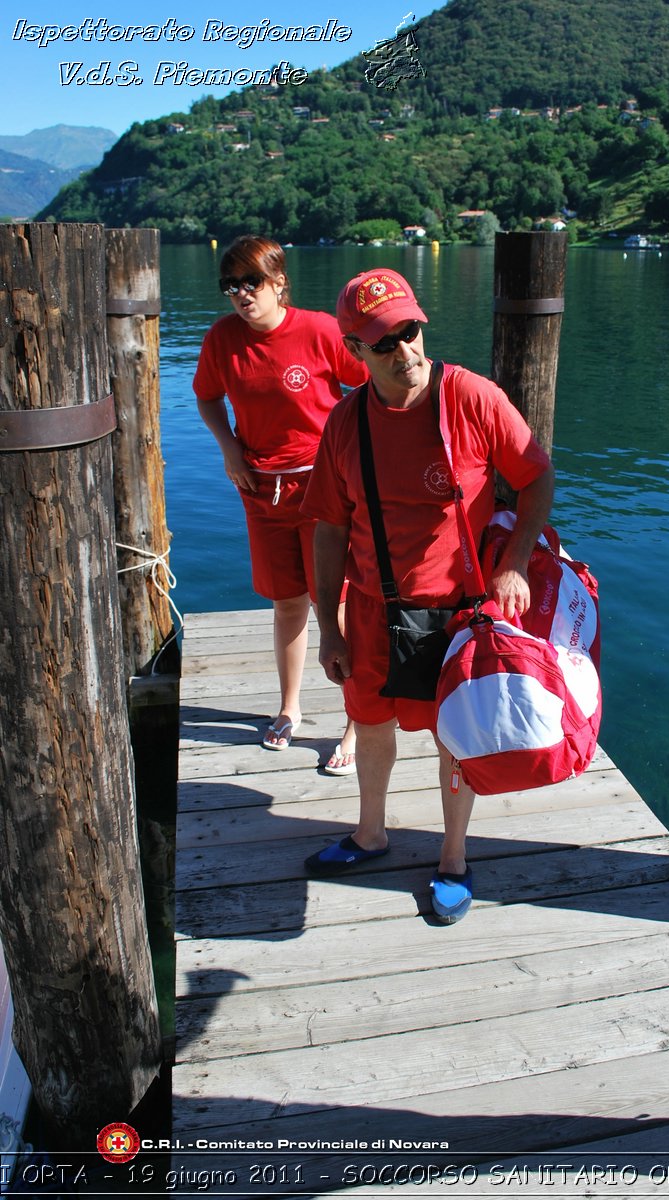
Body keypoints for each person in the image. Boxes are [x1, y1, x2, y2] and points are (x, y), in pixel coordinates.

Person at [300, 268, 555, 922]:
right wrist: (326, 627)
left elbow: (535, 476)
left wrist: (518, 562)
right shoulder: (346, 423)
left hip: (460, 614)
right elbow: (328, 529)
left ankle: (452, 857)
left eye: (410, 332)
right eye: (383, 343)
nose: (404, 352)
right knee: (373, 726)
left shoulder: (470, 397)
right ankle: (371, 833)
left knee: (455, 739)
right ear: (355, 351)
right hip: (372, 611)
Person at [192, 236, 367, 773]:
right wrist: (230, 450)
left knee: (334, 605)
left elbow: (365, 388)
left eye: (252, 283)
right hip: (260, 491)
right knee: (287, 601)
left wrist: (350, 464)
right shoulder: (223, 339)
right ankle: (289, 708)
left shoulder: (317, 330)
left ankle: (355, 722)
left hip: (322, 491)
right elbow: (206, 396)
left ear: (279, 283)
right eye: (231, 286)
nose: (241, 295)